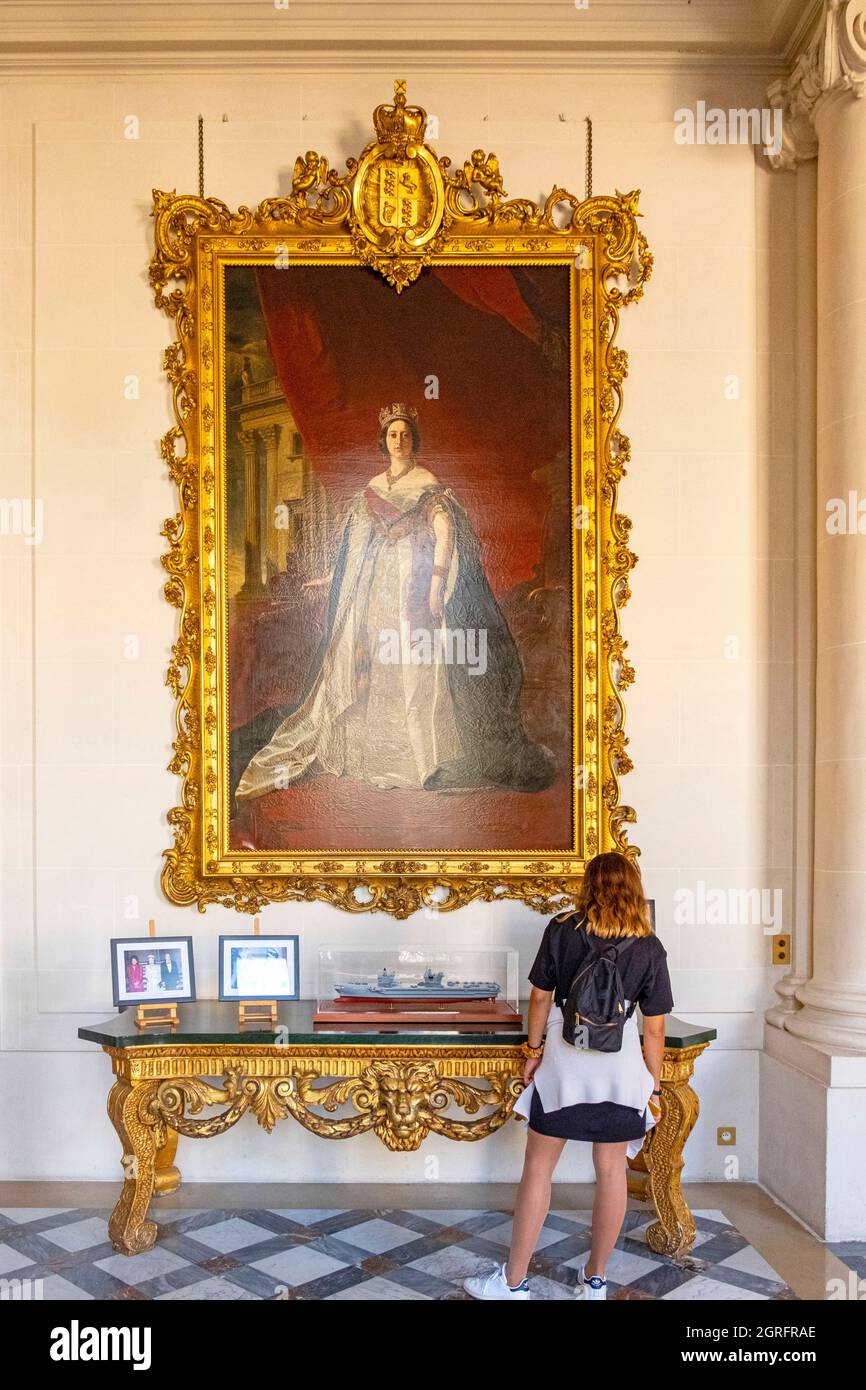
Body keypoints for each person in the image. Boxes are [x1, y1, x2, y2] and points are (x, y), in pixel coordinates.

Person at [232, 404, 554, 800]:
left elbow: (445, 534)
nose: (399, 441)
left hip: (411, 586)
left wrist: (436, 585)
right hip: (374, 591)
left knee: (411, 662)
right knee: (370, 662)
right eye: (392, 435)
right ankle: (366, 755)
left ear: (414, 439)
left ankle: (417, 760)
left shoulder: (427, 482)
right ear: (383, 442)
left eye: (404, 434)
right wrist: (332, 578)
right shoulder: (373, 486)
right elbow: (357, 546)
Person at [464, 851, 673, 1301]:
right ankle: (595, 1282)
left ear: (588, 885)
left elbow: (539, 999)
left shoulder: (561, 929)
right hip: (620, 1072)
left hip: (564, 1066)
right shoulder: (650, 945)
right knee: (611, 1171)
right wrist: (652, 1081)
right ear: (634, 889)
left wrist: (534, 1051)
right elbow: (654, 1027)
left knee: (538, 1168)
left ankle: (514, 1283)